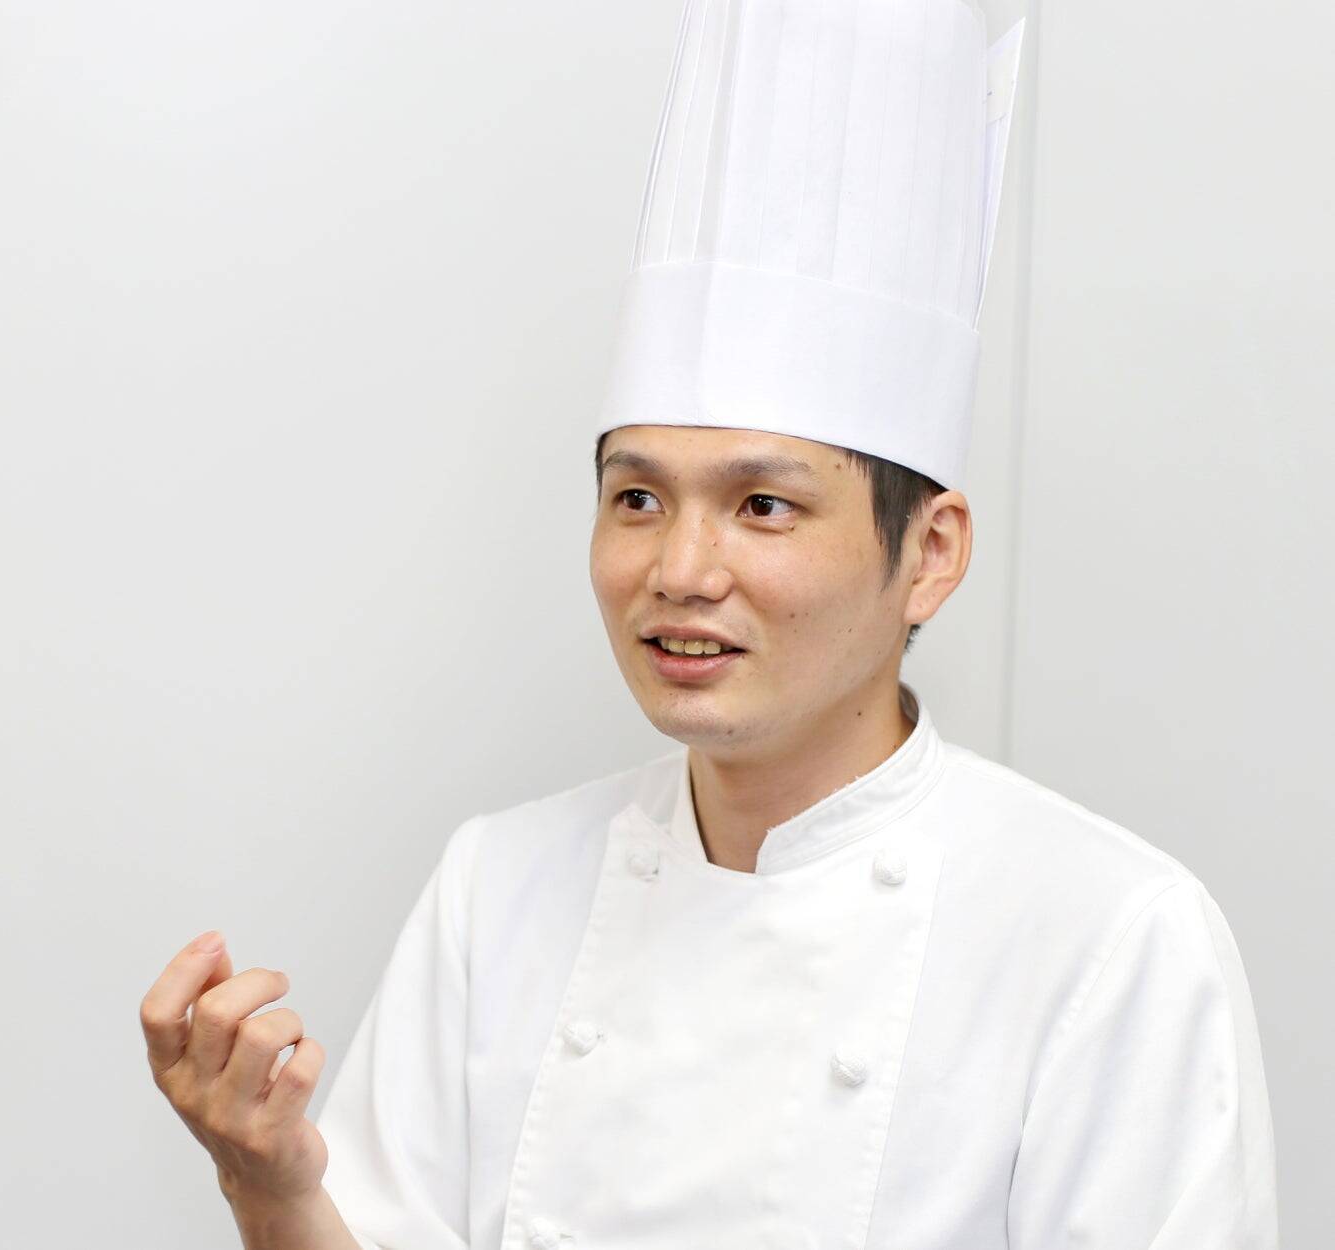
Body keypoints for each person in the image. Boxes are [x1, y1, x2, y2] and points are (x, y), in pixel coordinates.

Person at [141, 2, 1280, 1247]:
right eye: (637, 497)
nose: (680, 569)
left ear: (931, 553)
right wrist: (271, 1184)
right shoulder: (498, 885)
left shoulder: (1107, 934)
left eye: (762, 505)